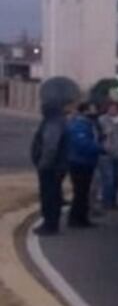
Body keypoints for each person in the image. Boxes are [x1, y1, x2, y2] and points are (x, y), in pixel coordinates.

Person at [30, 99, 71, 235]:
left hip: (52, 167)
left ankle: (50, 225)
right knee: (53, 195)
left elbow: (51, 147)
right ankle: (50, 223)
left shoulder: (53, 123)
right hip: (58, 165)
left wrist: (43, 164)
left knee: (49, 196)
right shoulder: (59, 121)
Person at [66, 102, 103, 228]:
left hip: (88, 162)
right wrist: (99, 148)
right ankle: (75, 219)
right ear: (84, 111)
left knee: (84, 192)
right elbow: (82, 144)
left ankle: (82, 218)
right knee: (80, 192)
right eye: (91, 110)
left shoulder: (89, 125)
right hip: (79, 162)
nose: (94, 113)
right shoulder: (79, 125)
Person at [98, 101, 118, 210]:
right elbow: (97, 134)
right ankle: (106, 202)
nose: (111, 110)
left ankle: (114, 200)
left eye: (114, 108)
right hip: (105, 154)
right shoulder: (101, 120)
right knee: (108, 178)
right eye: (110, 108)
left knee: (117, 179)